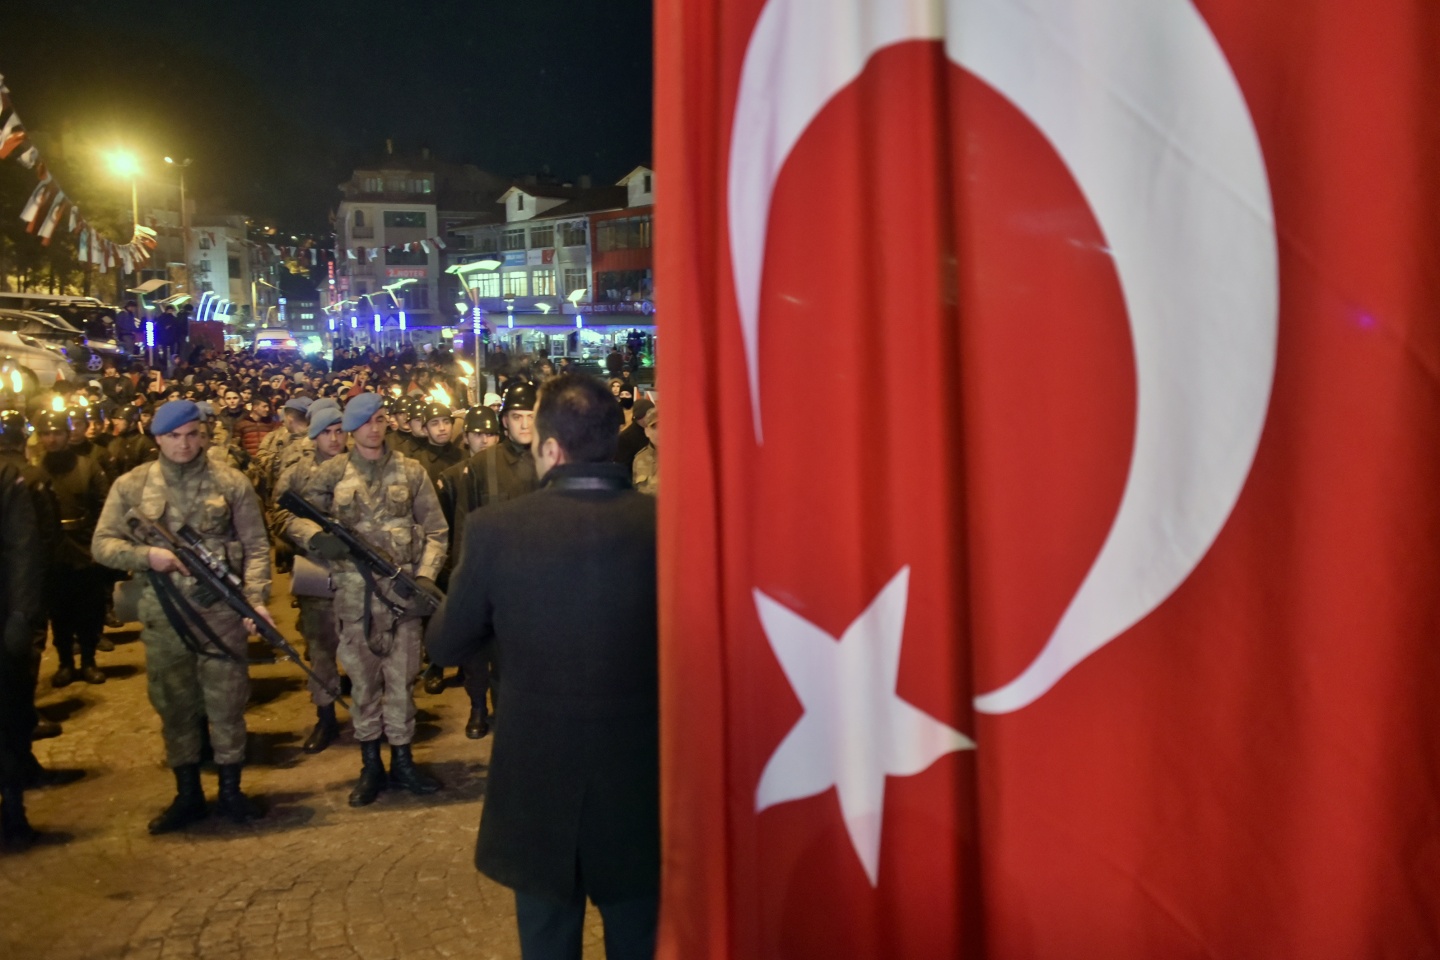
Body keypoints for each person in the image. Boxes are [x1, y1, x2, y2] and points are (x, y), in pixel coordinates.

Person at [427, 373, 659, 960]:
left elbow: (446, 646)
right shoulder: (668, 528)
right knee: (640, 940)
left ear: (551, 449)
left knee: (547, 943)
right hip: (641, 781)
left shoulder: (495, 531)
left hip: (537, 783)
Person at [91, 399, 273, 834]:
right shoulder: (132, 486)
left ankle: (230, 790)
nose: (184, 444)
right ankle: (187, 793)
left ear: (204, 435)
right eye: (174, 436)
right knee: (175, 705)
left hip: (221, 614)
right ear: (158, 439)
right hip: (165, 615)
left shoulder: (231, 482)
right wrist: (147, 556)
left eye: (193, 435)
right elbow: (102, 544)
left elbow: (256, 546)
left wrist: (256, 600)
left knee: (227, 703)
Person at [289, 393, 448, 806]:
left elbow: (436, 531)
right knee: (363, 686)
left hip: (402, 600)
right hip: (354, 600)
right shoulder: (331, 473)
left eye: (379, 420)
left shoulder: (411, 471)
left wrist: (425, 576)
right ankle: (370, 765)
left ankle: (403, 761)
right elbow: (292, 517)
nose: (373, 429)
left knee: (402, 683)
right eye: (364, 423)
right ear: (350, 428)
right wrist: (316, 539)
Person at [437, 382, 540, 736]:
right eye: (517, 416)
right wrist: (463, 582)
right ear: (504, 420)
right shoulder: (483, 464)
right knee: (487, 654)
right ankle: (483, 709)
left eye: (531, 416)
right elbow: (466, 524)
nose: (524, 424)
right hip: (496, 581)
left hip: (540, 582)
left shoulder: (553, 459)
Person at [271, 400, 346, 753]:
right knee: (320, 648)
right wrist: (311, 535)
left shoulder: (360, 467)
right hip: (317, 571)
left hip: (359, 573)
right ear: (314, 435)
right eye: (326, 432)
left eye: (339, 431)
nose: (334, 439)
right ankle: (325, 715)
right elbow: (279, 515)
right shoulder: (297, 474)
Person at [31, 410, 111, 687]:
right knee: (59, 611)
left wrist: (98, 542)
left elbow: (104, 505)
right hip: (53, 552)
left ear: (67, 435)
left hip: (85, 548)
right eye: (46, 434)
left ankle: (88, 661)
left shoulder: (87, 466)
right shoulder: (35, 471)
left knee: (89, 609)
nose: (51, 439)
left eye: (57, 433)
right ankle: (65, 662)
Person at [0, 454, 45, 850]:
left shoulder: (5, 475)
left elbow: (22, 548)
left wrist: (20, 614)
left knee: (7, 718)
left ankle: (13, 808)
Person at [412, 401, 463, 484]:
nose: (442, 428)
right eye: (434, 424)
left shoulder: (465, 457)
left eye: (446, 422)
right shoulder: (417, 464)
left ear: (452, 426)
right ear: (425, 430)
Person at [631, 405, 658, 496]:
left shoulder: (680, 459)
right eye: (654, 427)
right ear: (647, 431)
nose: (660, 431)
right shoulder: (640, 458)